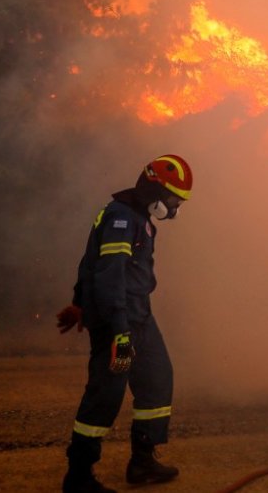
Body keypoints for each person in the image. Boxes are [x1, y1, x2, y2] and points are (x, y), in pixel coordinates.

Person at [55, 155, 194, 493]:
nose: (175, 207)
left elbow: (89, 260)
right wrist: (118, 328)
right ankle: (79, 476)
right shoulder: (121, 217)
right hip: (118, 318)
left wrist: (77, 301)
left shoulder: (137, 216)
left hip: (138, 315)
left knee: (157, 378)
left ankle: (143, 462)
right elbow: (109, 272)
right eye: (174, 198)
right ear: (155, 187)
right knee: (106, 392)